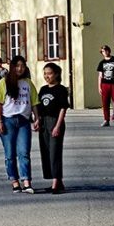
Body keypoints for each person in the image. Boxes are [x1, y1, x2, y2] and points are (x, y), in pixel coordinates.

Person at [0, 55, 41, 193]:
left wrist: (37, 118)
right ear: (12, 67)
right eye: (17, 66)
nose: (20, 68)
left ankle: (26, 181)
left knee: (24, 152)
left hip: (23, 121)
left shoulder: (28, 83)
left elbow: (35, 103)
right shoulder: (4, 82)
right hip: (8, 121)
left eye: (22, 66)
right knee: (10, 154)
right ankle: (14, 181)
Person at [35, 62, 70, 194]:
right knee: (46, 152)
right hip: (44, 122)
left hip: (55, 121)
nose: (46, 76)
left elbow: (63, 109)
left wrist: (58, 126)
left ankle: (56, 181)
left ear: (56, 74)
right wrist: (37, 120)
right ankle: (58, 181)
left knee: (55, 152)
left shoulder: (60, 89)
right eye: (45, 73)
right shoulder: (43, 89)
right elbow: (39, 107)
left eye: (49, 73)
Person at [96, 45, 114, 127]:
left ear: (109, 51)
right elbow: (100, 75)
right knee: (105, 103)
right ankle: (106, 120)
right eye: (102, 51)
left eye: (105, 51)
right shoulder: (102, 63)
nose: (104, 52)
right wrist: (99, 87)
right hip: (105, 84)